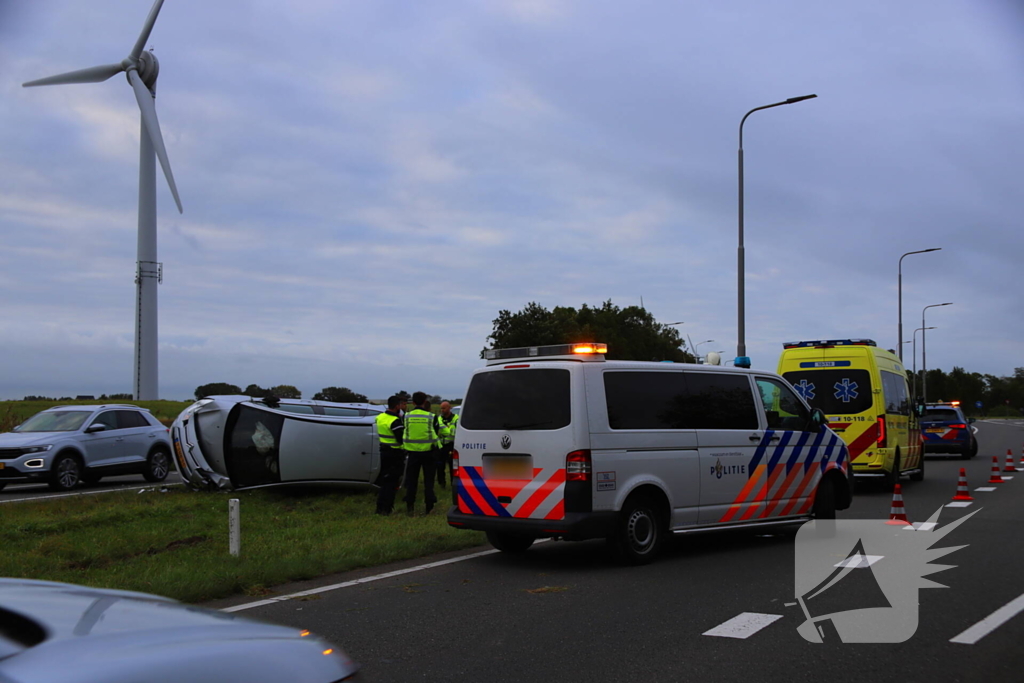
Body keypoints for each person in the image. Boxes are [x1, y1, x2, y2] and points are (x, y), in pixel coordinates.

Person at [402, 391, 438, 514]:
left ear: (413, 402)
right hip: (428, 453)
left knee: (411, 481)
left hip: (412, 453)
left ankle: (410, 507)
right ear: (425, 402)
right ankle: (429, 507)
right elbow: (436, 432)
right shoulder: (432, 416)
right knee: (429, 482)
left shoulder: (406, 416)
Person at [374, 395, 406, 515]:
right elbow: (400, 439)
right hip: (394, 454)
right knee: (392, 483)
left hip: (384, 451)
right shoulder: (395, 421)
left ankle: (380, 507)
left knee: (385, 481)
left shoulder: (380, 417)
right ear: (397, 406)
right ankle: (386, 509)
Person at [435, 401, 458, 488]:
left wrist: (445, 431)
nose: (442, 410)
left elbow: (454, 433)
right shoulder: (438, 419)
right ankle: (442, 483)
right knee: (440, 466)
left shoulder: (456, 418)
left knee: (453, 466)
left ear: (449, 408)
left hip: (451, 445)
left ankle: (453, 483)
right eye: (441, 408)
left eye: (444, 408)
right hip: (441, 445)